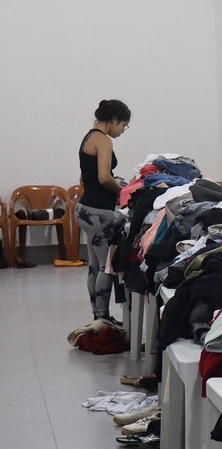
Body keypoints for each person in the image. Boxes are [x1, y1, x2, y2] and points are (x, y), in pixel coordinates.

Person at [75, 99, 130, 322]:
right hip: (99, 212)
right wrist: (122, 191)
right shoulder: (104, 140)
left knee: (95, 265)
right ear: (114, 120)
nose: (123, 130)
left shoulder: (88, 138)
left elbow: (83, 178)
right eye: (123, 125)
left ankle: (98, 316)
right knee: (106, 267)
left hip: (85, 209)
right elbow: (103, 178)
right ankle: (103, 317)